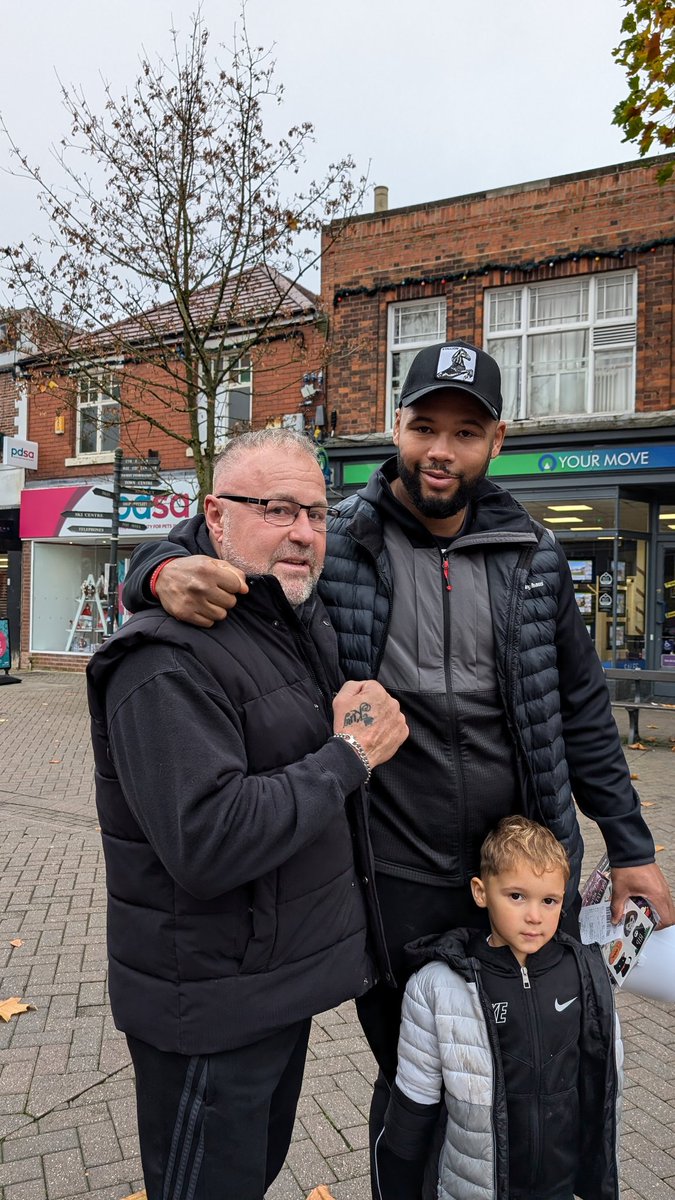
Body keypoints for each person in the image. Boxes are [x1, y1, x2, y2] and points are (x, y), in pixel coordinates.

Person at [122, 338, 673, 1190]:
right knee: (417, 1085)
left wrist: (630, 846)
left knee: (528, 1079)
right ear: (395, 428)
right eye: (423, 426)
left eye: (464, 431)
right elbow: (212, 536)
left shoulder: (531, 556)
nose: (440, 451)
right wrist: (153, 571)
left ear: (498, 439)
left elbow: (581, 712)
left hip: (521, 871)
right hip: (391, 879)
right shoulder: (331, 536)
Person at [86, 428, 408, 1200]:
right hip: (208, 1003)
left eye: (317, 513)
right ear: (215, 516)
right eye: (276, 509)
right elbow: (210, 839)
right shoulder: (163, 657)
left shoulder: (289, 617)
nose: (303, 532)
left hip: (267, 986)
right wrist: (350, 755)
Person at [377, 816, 622, 1200]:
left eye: (549, 900)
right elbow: (414, 1102)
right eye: (516, 896)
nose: (534, 916)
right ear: (480, 891)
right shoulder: (438, 985)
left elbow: (603, 1081)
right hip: (472, 1186)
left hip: (559, 1184)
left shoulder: (584, 974)